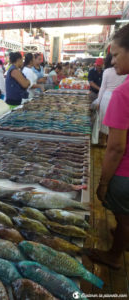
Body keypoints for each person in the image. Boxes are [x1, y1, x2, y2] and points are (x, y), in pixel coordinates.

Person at [88, 24, 129, 270]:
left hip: (125, 172)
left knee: (123, 218)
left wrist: (102, 183)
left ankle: (114, 256)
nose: (112, 61)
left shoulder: (123, 93)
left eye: (115, 54)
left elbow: (115, 148)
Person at [96, 53, 127, 137]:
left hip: (106, 98)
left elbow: (102, 88)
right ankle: (113, 138)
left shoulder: (107, 71)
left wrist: (98, 102)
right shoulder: (124, 72)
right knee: (116, 122)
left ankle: (104, 141)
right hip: (119, 99)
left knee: (105, 120)